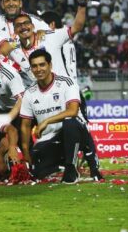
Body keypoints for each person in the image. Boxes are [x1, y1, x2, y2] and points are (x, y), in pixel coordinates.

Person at [19, 50, 102, 183]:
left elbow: (73, 111)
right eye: (34, 66)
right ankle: (62, 164)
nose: (38, 69)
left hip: (75, 132)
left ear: (50, 65)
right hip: (51, 137)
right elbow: (25, 125)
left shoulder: (67, 83)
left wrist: (46, 121)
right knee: (38, 172)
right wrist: (26, 152)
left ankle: (73, 166)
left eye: (42, 65)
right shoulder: (29, 93)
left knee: (70, 122)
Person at [9, 0, 88, 83]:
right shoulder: (17, 49)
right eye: (19, 25)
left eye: (27, 24)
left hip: (64, 89)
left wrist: (82, 6)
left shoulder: (54, 37)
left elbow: (77, 27)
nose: (23, 27)